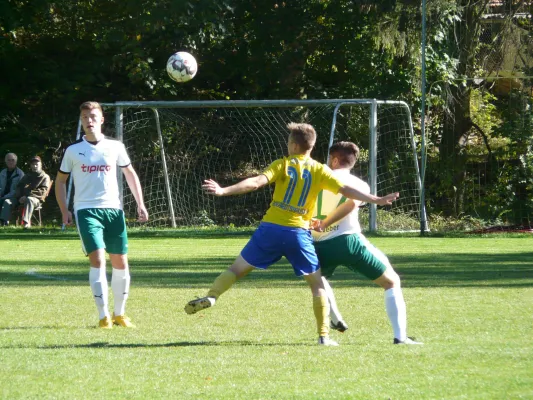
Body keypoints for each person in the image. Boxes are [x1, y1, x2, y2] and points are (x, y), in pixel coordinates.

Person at [184, 123, 399, 346]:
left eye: (288, 141)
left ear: (294, 145)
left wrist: (223, 190)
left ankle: (212, 295)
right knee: (317, 285)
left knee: (236, 269)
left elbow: (256, 183)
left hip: (270, 230)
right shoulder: (320, 170)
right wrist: (375, 199)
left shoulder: (283, 164)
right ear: (312, 146)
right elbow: (346, 191)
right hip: (298, 234)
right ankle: (324, 336)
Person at [311, 141, 422, 345]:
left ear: (334, 159)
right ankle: (400, 336)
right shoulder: (360, 185)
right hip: (348, 241)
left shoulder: (314, 177)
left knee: (318, 281)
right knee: (391, 282)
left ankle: (334, 319)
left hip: (317, 244)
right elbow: (351, 204)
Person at [55, 101, 149, 329]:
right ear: (81, 121)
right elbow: (60, 181)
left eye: (93, 116)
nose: (89, 120)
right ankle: (103, 316)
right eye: (85, 117)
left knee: (120, 262)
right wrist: (64, 209)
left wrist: (140, 204)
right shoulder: (73, 151)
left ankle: (120, 314)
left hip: (114, 210)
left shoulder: (115, 147)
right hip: (86, 210)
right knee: (97, 259)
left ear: (102, 119)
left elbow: (130, 173)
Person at [15, 156, 51, 228]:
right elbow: (19, 187)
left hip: (37, 199)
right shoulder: (27, 176)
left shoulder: (45, 177)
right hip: (23, 197)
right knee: (8, 200)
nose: (35, 166)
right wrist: (20, 196)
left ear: (40, 165)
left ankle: (26, 223)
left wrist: (27, 195)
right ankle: (4, 223)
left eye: (36, 164)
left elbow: (42, 191)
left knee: (30, 199)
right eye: (33, 164)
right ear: (30, 166)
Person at [0, 153, 25, 226]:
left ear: (16, 161)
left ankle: (4, 222)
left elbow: (18, 191)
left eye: (13, 160)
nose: (11, 162)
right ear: (5, 161)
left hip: (15, 198)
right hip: (2, 196)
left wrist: (4, 197)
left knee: (7, 202)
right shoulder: (2, 173)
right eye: (8, 160)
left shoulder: (20, 174)